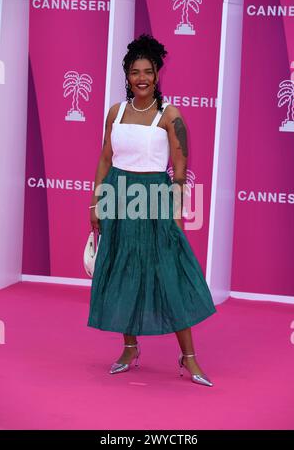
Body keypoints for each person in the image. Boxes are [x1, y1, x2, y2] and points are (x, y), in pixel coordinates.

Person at [87, 34, 217, 386]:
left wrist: (175, 215)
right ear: (126, 75)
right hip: (118, 197)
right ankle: (130, 348)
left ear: (157, 74)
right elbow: (104, 159)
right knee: (120, 272)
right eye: (134, 71)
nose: (141, 77)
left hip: (155, 200)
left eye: (147, 71)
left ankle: (188, 358)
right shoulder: (115, 112)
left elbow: (179, 168)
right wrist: (96, 203)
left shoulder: (169, 115)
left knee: (169, 277)